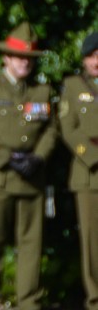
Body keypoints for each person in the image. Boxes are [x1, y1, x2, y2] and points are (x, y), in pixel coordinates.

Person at [0, 22, 57, 310]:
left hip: (31, 177)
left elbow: (51, 130)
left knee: (31, 245)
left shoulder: (43, 92)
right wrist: (6, 157)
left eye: (30, 59)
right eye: (19, 57)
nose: (25, 63)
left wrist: (39, 157)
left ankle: (28, 302)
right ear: (6, 57)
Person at [59, 31, 98, 310]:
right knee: (92, 242)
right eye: (91, 56)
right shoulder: (73, 87)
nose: (96, 61)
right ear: (84, 59)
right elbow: (68, 128)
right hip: (89, 174)